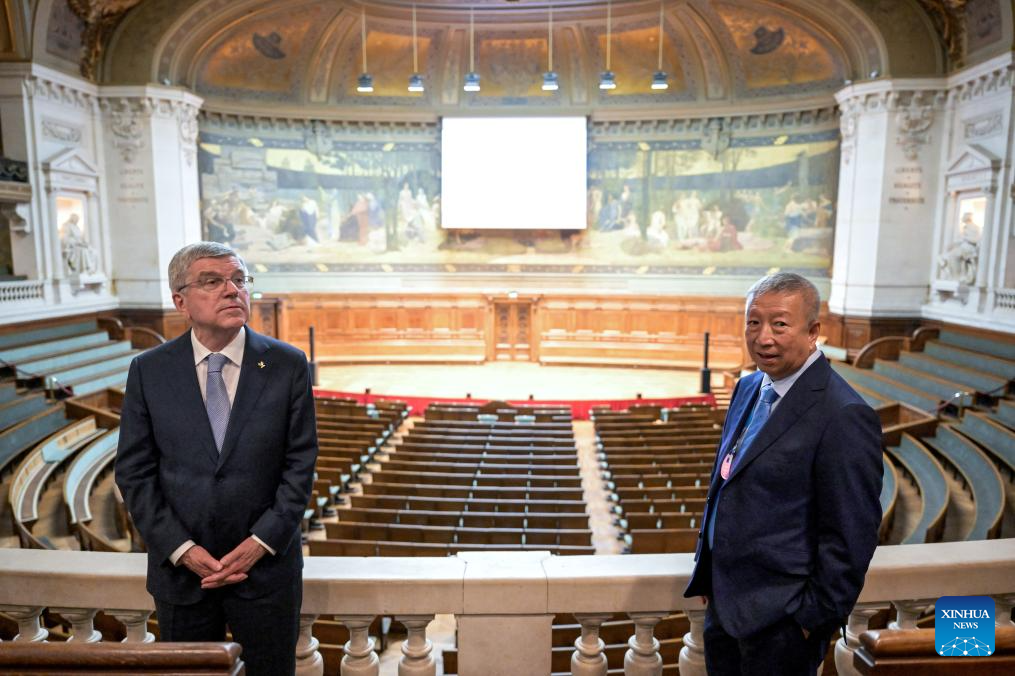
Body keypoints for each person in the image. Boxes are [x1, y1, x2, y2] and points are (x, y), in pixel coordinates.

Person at [115, 241, 318, 676]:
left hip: (266, 574)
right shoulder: (149, 370)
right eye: (213, 281)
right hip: (183, 576)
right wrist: (182, 549)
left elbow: (300, 464)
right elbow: (134, 472)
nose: (232, 290)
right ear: (180, 301)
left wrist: (261, 542)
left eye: (239, 280)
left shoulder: (287, 364)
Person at [684, 272, 883, 676]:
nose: (763, 337)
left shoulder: (844, 414)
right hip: (725, 606)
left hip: (783, 625)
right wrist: (711, 572)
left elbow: (851, 534)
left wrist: (809, 622)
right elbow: (728, 481)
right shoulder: (748, 388)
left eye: (779, 324)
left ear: (812, 332)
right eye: (754, 322)